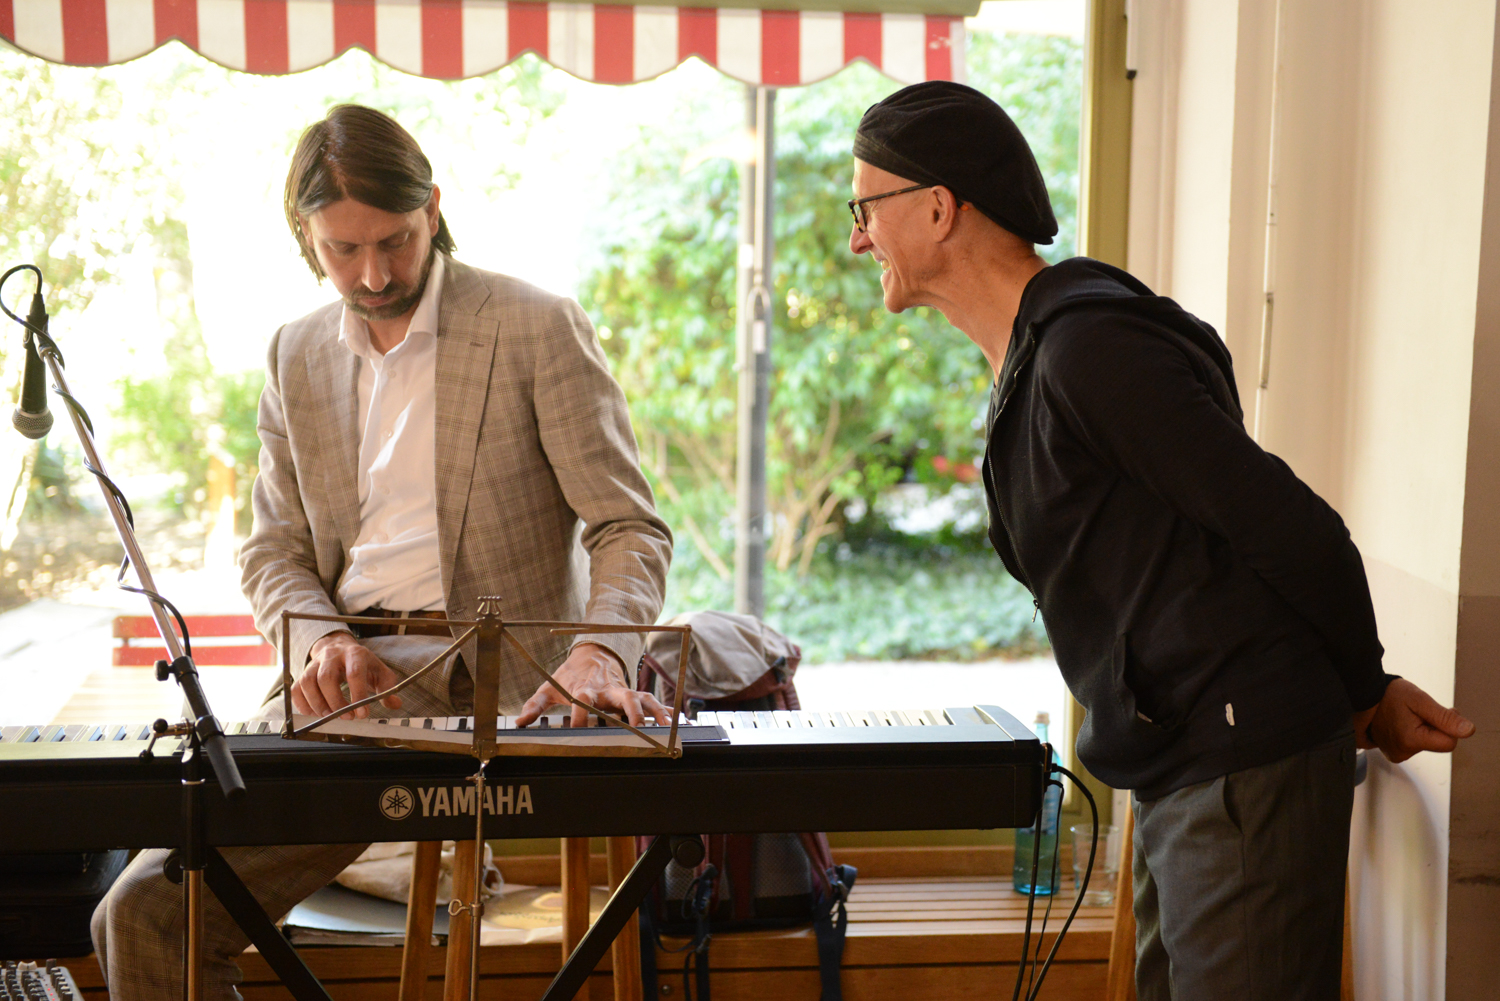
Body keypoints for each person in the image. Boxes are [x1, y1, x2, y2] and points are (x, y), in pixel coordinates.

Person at [846, 81, 1474, 1000]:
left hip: (1239, 763)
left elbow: (1291, 527)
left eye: (865, 208)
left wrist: (1365, 689)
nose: (858, 238)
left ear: (939, 208)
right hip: (1186, 767)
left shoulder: (1088, 350)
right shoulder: (1033, 358)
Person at [91, 104, 674, 1000]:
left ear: (432, 208)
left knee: (153, 909)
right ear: (305, 236)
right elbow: (273, 551)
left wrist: (599, 649)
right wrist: (322, 641)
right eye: (343, 250)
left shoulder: (534, 325)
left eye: (394, 241)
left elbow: (628, 526)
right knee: (141, 913)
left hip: (507, 689)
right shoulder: (294, 354)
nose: (373, 274)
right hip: (349, 687)